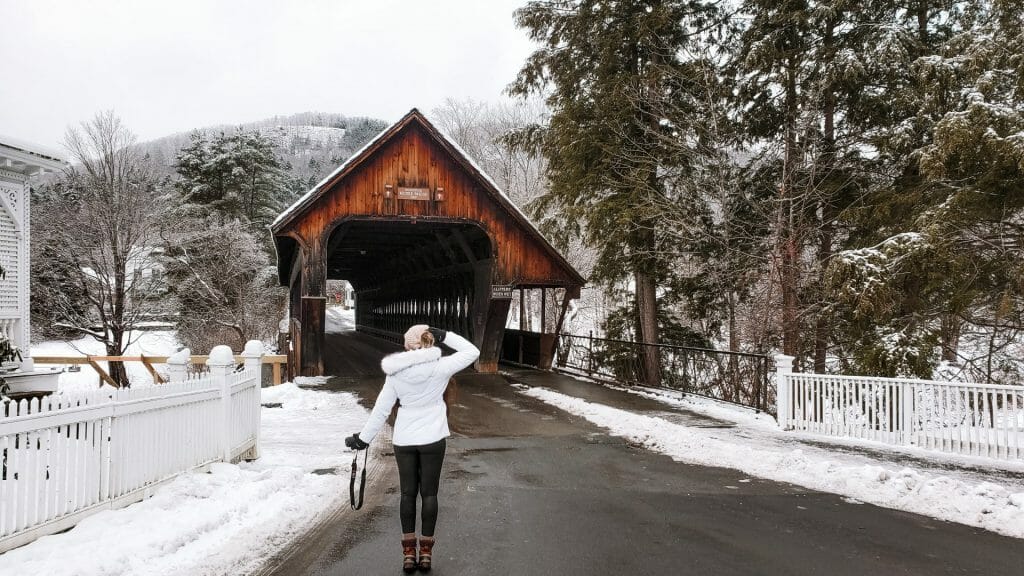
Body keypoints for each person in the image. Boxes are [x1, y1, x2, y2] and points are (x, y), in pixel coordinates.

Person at [345, 324, 479, 573]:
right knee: (429, 494)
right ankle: (426, 553)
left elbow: (382, 409)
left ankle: (408, 554)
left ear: (407, 346)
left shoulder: (396, 373)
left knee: (407, 494)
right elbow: (472, 352)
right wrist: (447, 336)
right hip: (433, 438)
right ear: (431, 341)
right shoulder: (441, 367)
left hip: (405, 440)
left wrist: (363, 439)